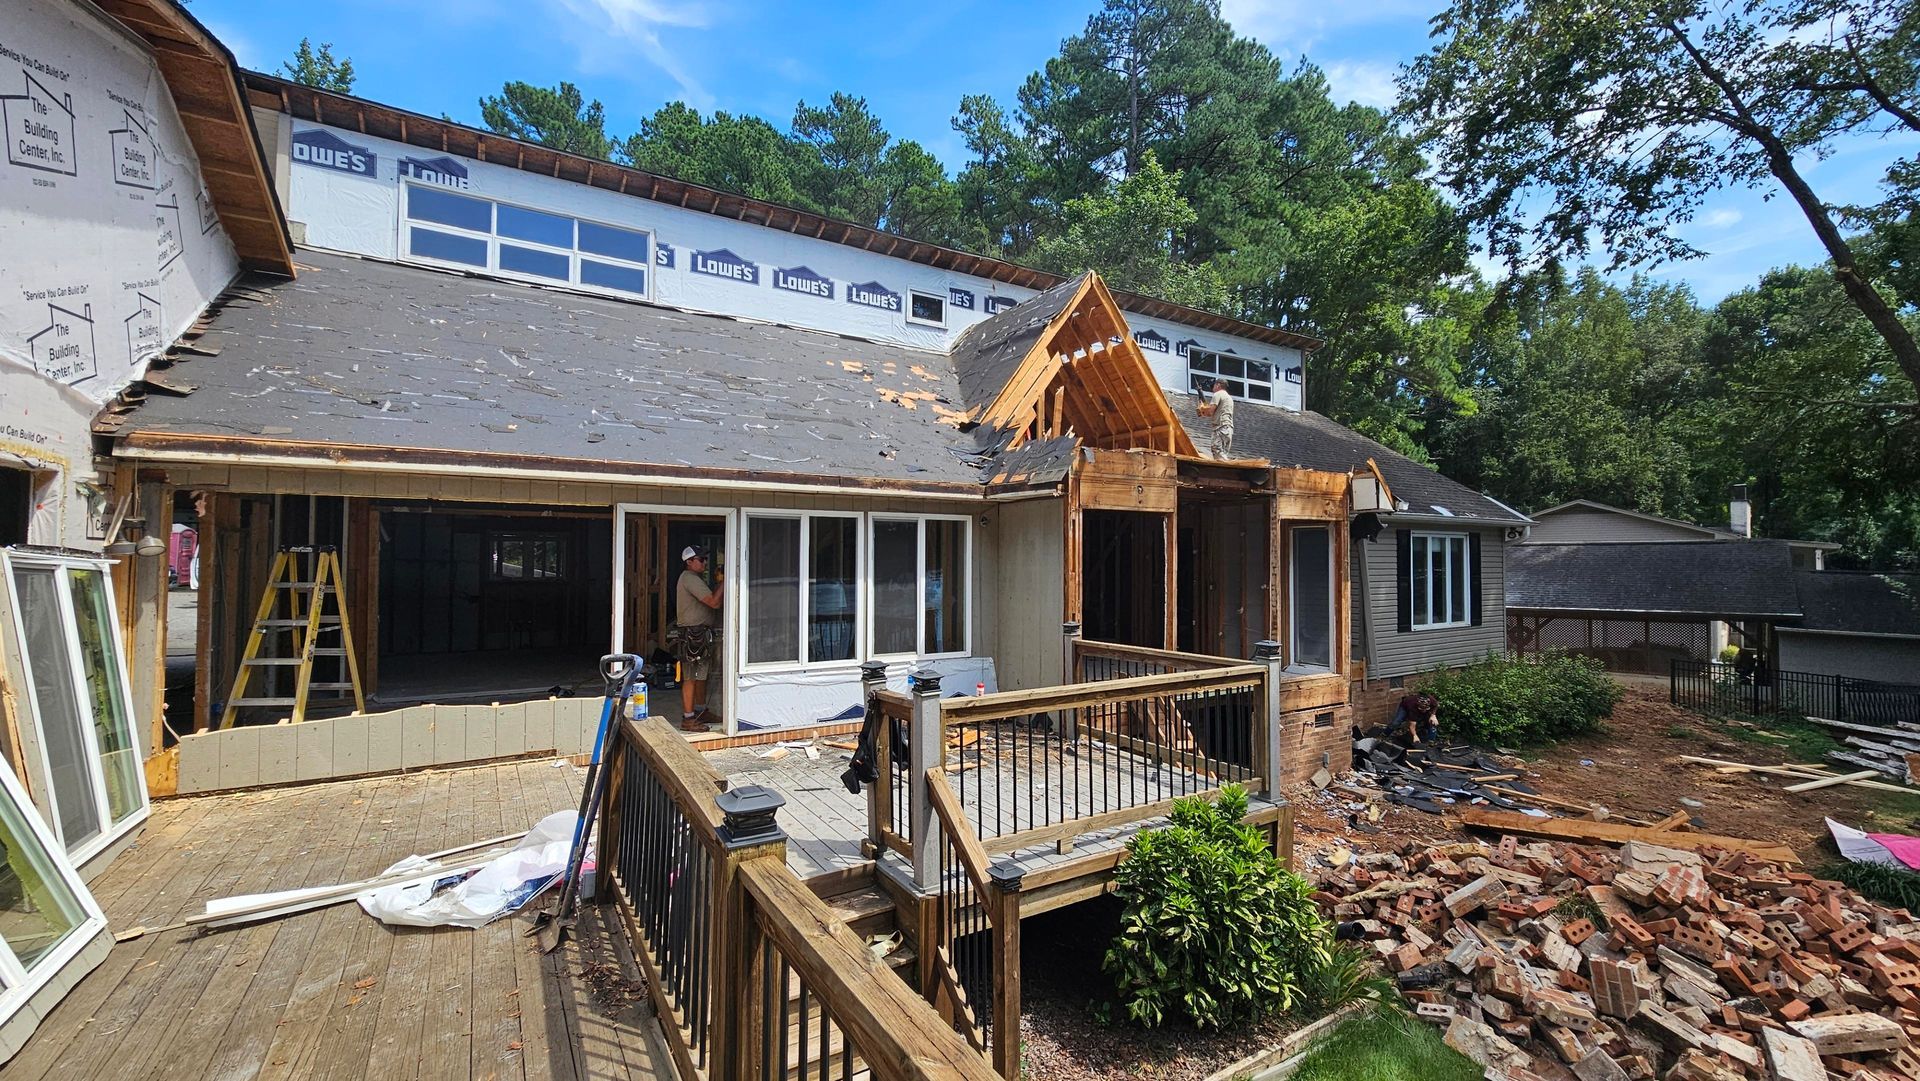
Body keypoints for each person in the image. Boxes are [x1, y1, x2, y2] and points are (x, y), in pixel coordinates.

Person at [673, 546, 722, 732]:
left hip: (700, 633)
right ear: (689, 562)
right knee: (691, 676)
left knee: (701, 675)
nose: (705, 563)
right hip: (693, 634)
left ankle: (700, 711)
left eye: (705, 559)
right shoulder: (689, 579)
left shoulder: (694, 579)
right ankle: (688, 718)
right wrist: (725, 582)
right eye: (701, 560)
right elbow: (714, 602)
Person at [1195, 378, 1235, 459]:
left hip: (1220, 427)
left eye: (1214, 385)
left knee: (1217, 452)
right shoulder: (1229, 398)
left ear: (1218, 385)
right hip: (1228, 429)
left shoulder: (1218, 394)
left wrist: (1202, 409)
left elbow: (1210, 412)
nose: (1212, 388)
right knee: (1222, 454)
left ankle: (1227, 470)